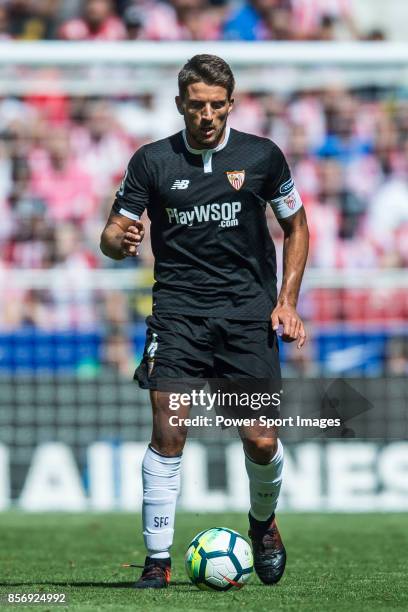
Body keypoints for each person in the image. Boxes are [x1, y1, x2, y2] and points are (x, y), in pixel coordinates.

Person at [100, 54, 309, 588]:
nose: (208, 115)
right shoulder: (151, 161)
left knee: (260, 440)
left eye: (217, 105)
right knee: (169, 431)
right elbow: (111, 232)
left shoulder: (262, 157)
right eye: (197, 105)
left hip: (246, 317)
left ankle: (263, 525)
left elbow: (297, 226)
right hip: (177, 316)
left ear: (231, 105)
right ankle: (157, 561)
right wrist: (119, 241)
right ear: (180, 106)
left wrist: (286, 301)